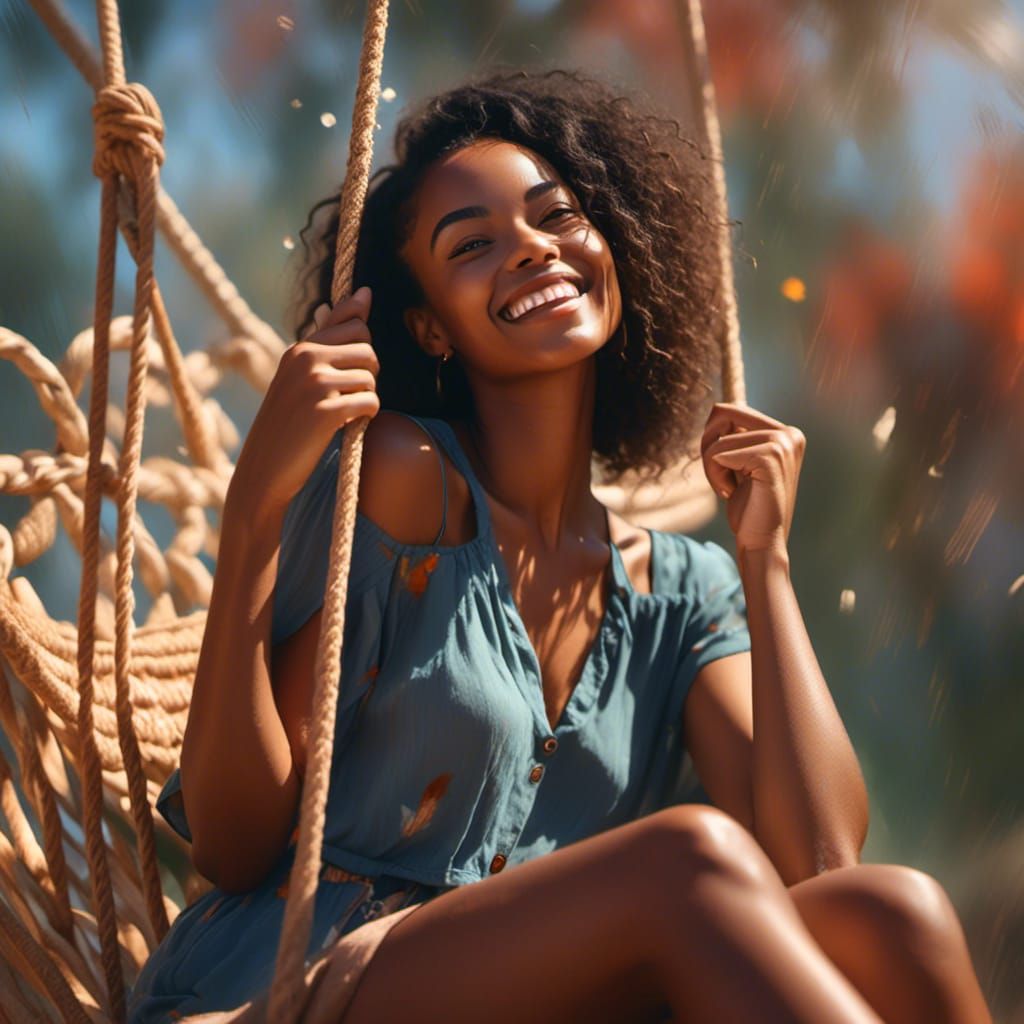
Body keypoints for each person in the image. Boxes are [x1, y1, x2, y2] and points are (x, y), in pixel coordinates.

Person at [127, 68, 991, 1023]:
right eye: (474, 246)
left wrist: (767, 562)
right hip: (308, 981)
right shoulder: (410, 480)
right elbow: (231, 844)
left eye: (556, 217)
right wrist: (256, 512)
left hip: (556, 996)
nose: (534, 250)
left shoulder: (684, 593)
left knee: (893, 912)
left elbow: (819, 860)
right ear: (428, 326)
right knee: (688, 860)